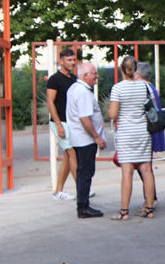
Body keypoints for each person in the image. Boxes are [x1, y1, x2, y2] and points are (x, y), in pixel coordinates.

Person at [108, 56, 156, 220]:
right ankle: (149, 208)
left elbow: (113, 114)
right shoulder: (145, 87)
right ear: (136, 69)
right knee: (147, 170)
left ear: (121, 69)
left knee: (127, 172)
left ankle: (124, 211)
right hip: (143, 131)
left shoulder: (118, 88)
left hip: (126, 134)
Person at [66, 61, 106, 218]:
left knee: (83, 171)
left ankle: (83, 204)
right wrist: (97, 137)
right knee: (85, 172)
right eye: (94, 73)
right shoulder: (82, 92)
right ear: (85, 75)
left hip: (80, 138)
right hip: (85, 139)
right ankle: (83, 207)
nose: (97, 76)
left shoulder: (75, 89)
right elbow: (84, 118)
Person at [45, 48, 78, 200]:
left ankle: (58, 191)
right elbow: (50, 102)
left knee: (67, 155)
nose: (72, 63)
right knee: (72, 153)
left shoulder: (74, 79)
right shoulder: (54, 79)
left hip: (71, 122)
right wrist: (58, 124)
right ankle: (82, 187)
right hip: (60, 122)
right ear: (61, 61)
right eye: (69, 60)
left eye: (73, 59)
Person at [136, 61, 163, 206]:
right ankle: (151, 197)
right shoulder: (152, 88)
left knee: (144, 168)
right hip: (153, 129)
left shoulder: (143, 88)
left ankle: (151, 199)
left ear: (138, 74)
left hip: (145, 131)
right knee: (145, 167)